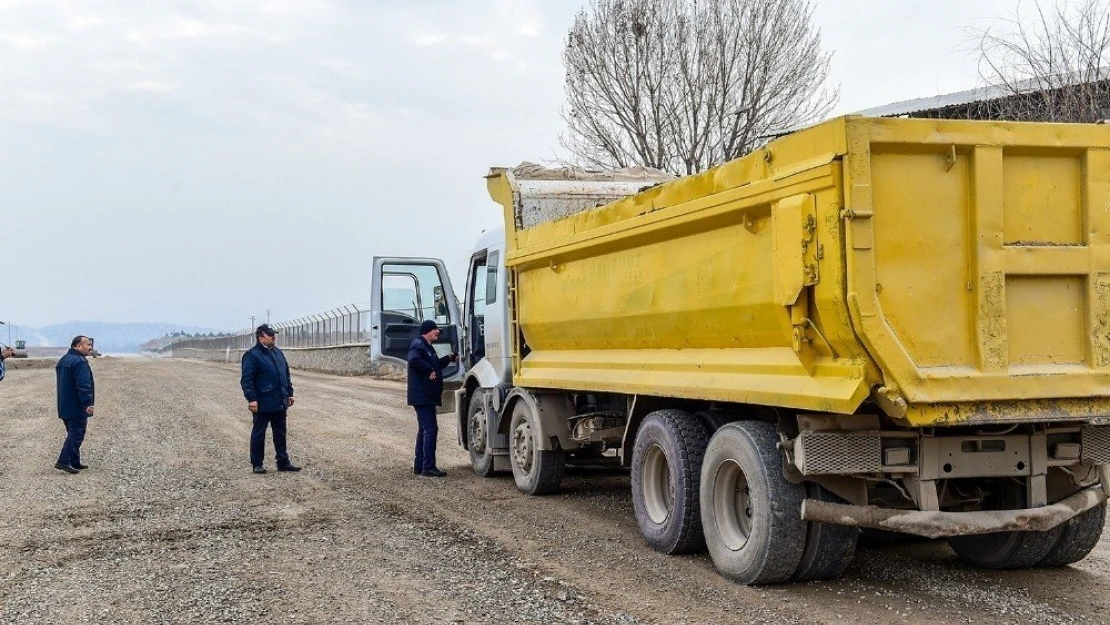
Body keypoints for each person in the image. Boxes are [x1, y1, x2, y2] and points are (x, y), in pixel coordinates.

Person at [240, 324, 300, 474]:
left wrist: (289, 393)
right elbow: (247, 380)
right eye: (270, 335)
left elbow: (285, 374)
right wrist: (252, 399)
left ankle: (283, 462)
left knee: (280, 433)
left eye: (274, 334)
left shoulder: (278, 353)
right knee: (259, 433)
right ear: (261, 337)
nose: (274, 337)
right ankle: (257, 464)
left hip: (280, 401)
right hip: (262, 402)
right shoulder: (252, 355)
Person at [407, 319, 458, 478]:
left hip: (425, 396)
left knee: (424, 430)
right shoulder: (419, 344)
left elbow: (436, 366)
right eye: (436, 330)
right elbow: (413, 360)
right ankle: (428, 467)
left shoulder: (427, 347)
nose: (438, 332)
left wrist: (449, 358)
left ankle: (420, 465)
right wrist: (429, 370)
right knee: (430, 429)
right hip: (423, 396)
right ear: (428, 330)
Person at [55, 335, 95, 474]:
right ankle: (64, 461)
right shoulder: (79, 362)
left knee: (73, 433)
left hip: (64, 405)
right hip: (76, 406)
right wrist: (88, 403)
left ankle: (74, 461)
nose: (90, 347)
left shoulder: (63, 360)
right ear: (78, 346)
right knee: (77, 433)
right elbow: (83, 385)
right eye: (88, 345)